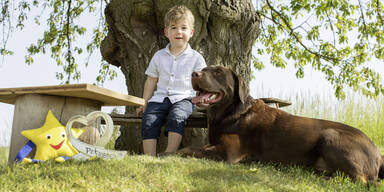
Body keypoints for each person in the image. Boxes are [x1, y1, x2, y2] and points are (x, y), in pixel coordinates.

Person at [136, 5, 207, 156]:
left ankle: (169, 153)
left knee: (177, 117)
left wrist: (204, 100)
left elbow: (204, 82)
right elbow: (151, 80)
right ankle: (149, 156)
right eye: (173, 27)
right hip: (159, 98)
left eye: (183, 28)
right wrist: (144, 102)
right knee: (149, 119)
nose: (178, 32)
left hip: (184, 99)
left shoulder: (196, 58)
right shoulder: (159, 56)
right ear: (166, 32)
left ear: (191, 32)